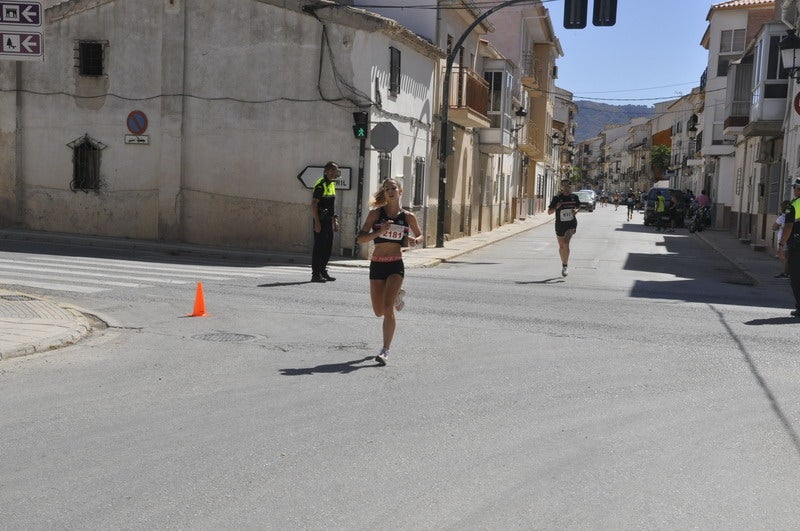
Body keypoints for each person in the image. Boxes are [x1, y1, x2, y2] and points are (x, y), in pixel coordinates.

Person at [357, 178, 422, 366]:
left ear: (400, 191)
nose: (390, 191)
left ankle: (385, 350)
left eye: (393, 188)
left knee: (387, 310)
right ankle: (396, 297)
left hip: (395, 265)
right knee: (378, 311)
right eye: (386, 189)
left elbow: (420, 236)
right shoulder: (375, 215)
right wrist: (379, 232)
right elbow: (361, 239)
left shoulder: (408, 216)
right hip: (377, 264)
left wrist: (414, 240)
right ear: (384, 193)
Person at [310, 161, 340, 282]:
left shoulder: (331, 184)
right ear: (326, 171)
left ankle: (322, 271)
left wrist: (335, 221)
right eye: (332, 170)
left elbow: (331, 206)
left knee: (327, 248)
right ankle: (315, 274)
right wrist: (317, 222)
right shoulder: (320, 184)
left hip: (328, 221)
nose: (334, 173)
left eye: (336, 171)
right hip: (320, 221)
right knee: (319, 248)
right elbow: (313, 204)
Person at [547, 179, 580, 277]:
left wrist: (576, 210)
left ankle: (565, 266)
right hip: (560, 225)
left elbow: (578, 207)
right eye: (564, 186)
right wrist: (556, 207)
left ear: (570, 187)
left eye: (568, 186)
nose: (566, 188)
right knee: (561, 246)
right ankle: (564, 264)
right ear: (561, 187)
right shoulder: (557, 198)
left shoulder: (574, 197)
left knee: (566, 243)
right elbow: (549, 212)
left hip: (571, 224)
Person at [778, 179, 800, 317]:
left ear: (797, 189)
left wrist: (781, 245)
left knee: (796, 277)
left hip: (797, 246)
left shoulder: (793, 206)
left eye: (795, 188)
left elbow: (788, 227)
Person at [773, 200, 791, 278]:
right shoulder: (792, 216)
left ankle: (786, 273)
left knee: (784, 256)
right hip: (790, 238)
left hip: (783, 239)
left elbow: (774, 227)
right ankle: (787, 272)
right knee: (786, 256)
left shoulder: (782, 217)